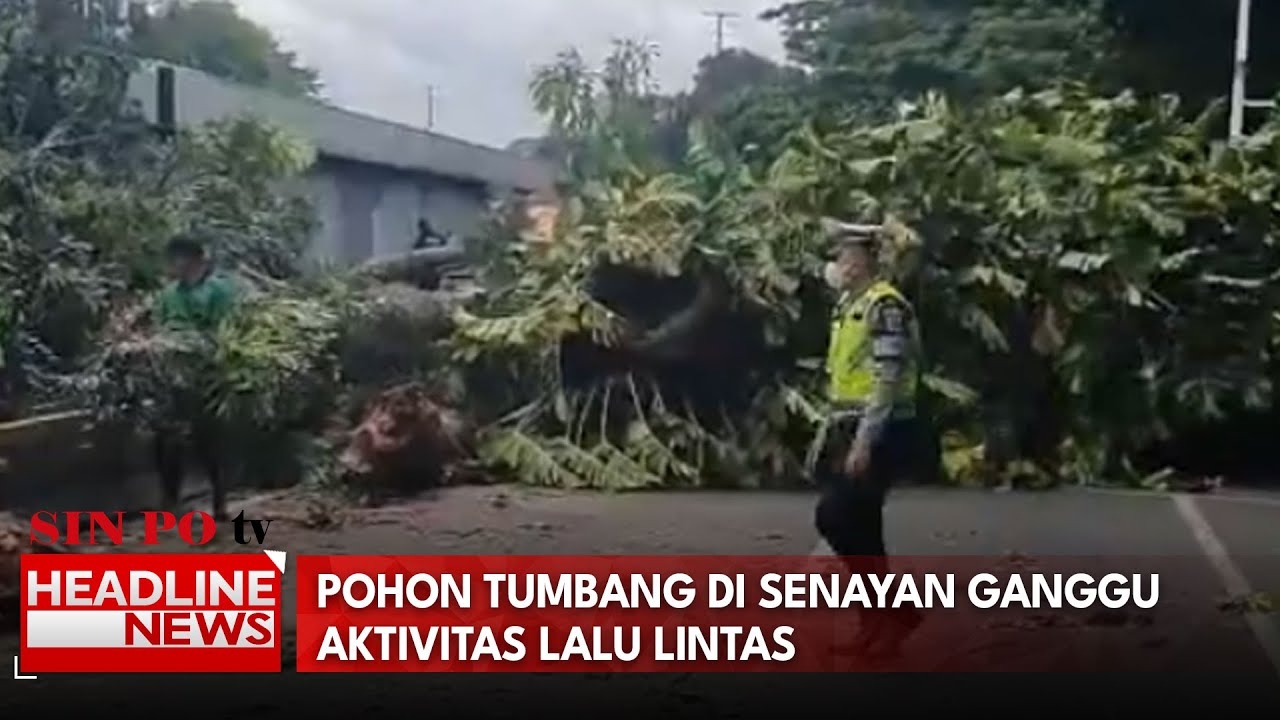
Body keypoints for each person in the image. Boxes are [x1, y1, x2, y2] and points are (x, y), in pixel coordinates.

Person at [812, 220, 925, 660]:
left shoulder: (885, 306)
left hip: (882, 428)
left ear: (860, 262)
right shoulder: (850, 305)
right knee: (863, 528)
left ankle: (896, 611)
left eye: (843, 256)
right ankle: (878, 625)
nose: (836, 264)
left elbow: (887, 380)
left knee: (835, 516)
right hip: (849, 424)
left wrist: (864, 442)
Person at [152, 234, 237, 521]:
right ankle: (170, 502)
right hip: (172, 376)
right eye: (172, 261)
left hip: (207, 376)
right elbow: (160, 328)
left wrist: (195, 345)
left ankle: (220, 502)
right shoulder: (167, 294)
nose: (174, 266)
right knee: (167, 440)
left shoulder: (218, 291)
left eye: (179, 260)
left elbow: (225, 332)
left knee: (210, 441)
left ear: (196, 261)